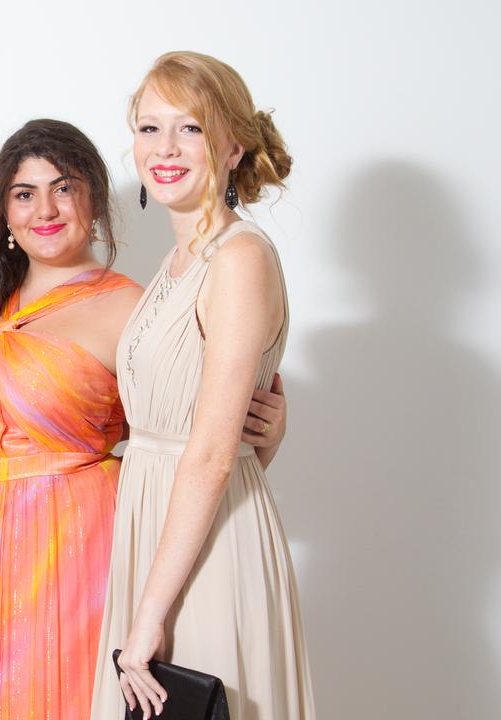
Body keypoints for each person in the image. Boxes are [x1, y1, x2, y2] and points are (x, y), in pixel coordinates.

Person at [0, 119, 289, 720]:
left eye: (64, 188)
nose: (45, 208)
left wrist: (269, 435)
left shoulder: (134, 308)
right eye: (24, 193)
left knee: (69, 692)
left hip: (78, 540)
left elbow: (199, 441)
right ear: (4, 214)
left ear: (94, 200)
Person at [91, 51, 314, 720]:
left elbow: (216, 453)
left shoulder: (240, 257)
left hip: (208, 546)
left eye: (189, 128)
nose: (164, 148)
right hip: (164, 528)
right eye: (148, 127)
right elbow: (217, 436)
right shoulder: (176, 258)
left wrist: (150, 614)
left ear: (234, 143)